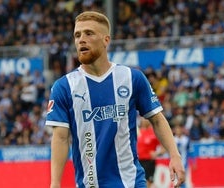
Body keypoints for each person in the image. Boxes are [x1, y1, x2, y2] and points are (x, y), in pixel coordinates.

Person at [45, 11, 185, 188]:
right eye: (77, 35)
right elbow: (60, 138)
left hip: (132, 183)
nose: (81, 39)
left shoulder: (132, 78)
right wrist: (55, 184)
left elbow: (157, 119)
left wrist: (174, 156)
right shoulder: (64, 86)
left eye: (89, 33)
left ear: (106, 40)